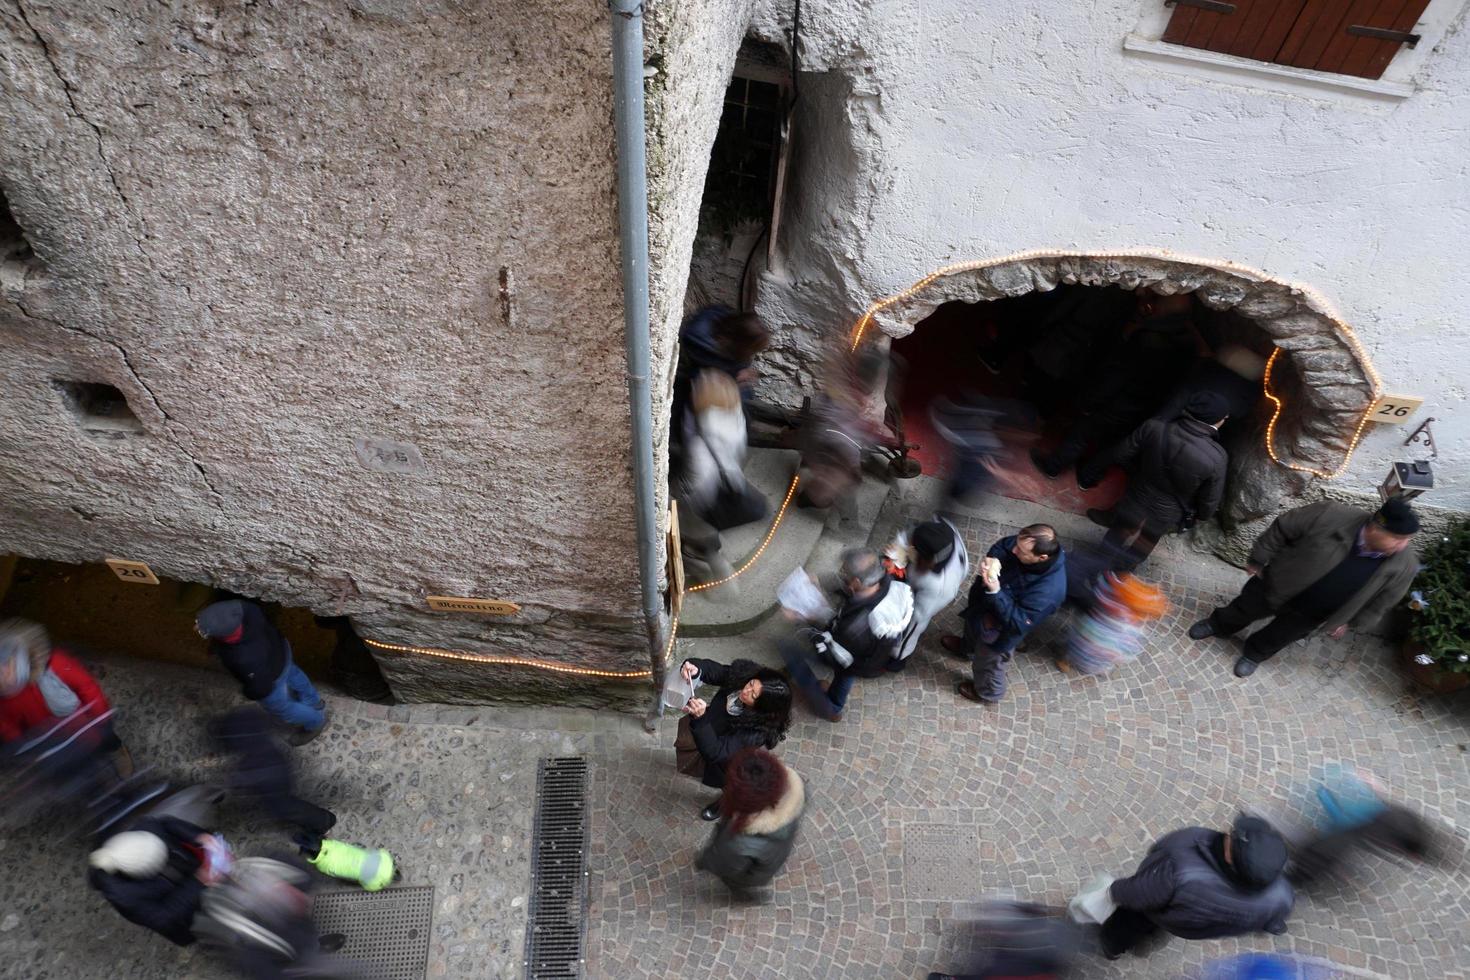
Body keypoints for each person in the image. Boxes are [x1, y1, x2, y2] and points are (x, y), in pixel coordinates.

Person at [1187, 496, 1421, 678]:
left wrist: (1350, 622)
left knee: (1280, 635)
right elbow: (1283, 527)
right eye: (1399, 539)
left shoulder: (1405, 565)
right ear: (1374, 529)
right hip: (1276, 584)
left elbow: (1384, 602)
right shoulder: (1331, 514)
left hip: (1315, 613)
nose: (1403, 547)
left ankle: (1255, 653)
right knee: (1244, 608)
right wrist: (1259, 558)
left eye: (1407, 540)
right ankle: (1219, 624)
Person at [1031, 290, 1200, 489]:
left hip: (1119, 401)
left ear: (1161, 308)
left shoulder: (1147, 338)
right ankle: (1087, 476)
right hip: (1146, 405)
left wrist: (1090, 401)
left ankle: (1054, 466)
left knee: (1082, 433)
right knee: (1112, 442)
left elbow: (1117, 375)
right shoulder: (1188, 344)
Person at [1100, 815, 1294, 960]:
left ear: (1229, 858)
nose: (1229, 831)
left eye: (1233, 836)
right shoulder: (1281, 896)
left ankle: (1112, 946)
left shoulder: (1182, 871)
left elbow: (1139, 892)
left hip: (1161, 911)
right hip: (1189, 924)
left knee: (1130, 921)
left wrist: (1112, 891)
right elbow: (1273, 922)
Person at [1085, 390, 1229, 570]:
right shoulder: (1217, 457)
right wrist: (1201, 515)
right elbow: (1209, 500)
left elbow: (1120, 454)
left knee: (1118, 532)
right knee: (1144, 544)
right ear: (1216, 419)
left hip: (1138, 495)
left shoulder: (1155, 427)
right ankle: (1117, 577)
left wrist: (1139, 475)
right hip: (1168, 513)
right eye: (1224, 416)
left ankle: (1093, 568)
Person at [778, 548, 914, 722]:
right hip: (868, 655)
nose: (841, 574)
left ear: (857, 581)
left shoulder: (855, 627)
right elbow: (852, 601)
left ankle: (830, 708)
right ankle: (836, 702)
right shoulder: (885, 583)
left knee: (789, 651)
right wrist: (820, 585)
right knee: (846, 675)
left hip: (856, 657)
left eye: (844, 572)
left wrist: (805, 617)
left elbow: (831, 653)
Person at [942, 525, 1067, 704]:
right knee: (972, 627)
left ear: (1042, 557)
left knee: (990, 663)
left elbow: (1017, 623)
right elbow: (1003, 546)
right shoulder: (1024, 545)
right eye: (1017, 543)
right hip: (984, 607)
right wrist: (993, 559)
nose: (1014, 550)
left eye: (1021, 551)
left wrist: (996, 592)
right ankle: (966, 649)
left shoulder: (1048, 592)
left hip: (1001, 631)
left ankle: (988, 693)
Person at [672, 370, 768, 586]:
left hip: (703, 506)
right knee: (709, 535)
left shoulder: (699, 445)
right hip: (726, 488)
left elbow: (695, 487)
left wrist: (676, 497)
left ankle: (709, 568)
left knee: (700, 538)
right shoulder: (735, 420)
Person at [675, 658, 793, 821]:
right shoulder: (743, 676)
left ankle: (724, 805)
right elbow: (717, 671)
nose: (746, 691)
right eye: (751, 684)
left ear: (762, 706)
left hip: (728, 758)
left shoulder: (754, 732)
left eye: (753, 695)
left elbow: (716, 752)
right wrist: (697, 669)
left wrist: (701, 719)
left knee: (730, 786)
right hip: (710, 729)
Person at [89, 814, 232, 946]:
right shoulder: (122, 895)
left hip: (191, 876)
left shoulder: (147, 829)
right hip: (186, 914)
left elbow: (168, 824)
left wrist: (199, 836)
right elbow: (164, 918)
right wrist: (199, 882)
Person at [196, 600, 327, 741]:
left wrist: (249, 692)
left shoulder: (242, 657)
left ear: (226, 636)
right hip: (281, 649)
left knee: (283, 708)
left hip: (273, 676)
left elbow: (262, 687)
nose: (195, 627)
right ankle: (313, 701)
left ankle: (315, 722)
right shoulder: (246, 609)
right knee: (294, 674)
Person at [0, 618, 123, 765]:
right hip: (52, 738)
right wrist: (20, 745)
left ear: (21, 657)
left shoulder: (56, 664)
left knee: (105, 740)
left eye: (5, 663)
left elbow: (87, 687)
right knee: (80, 763)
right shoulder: (5, 698)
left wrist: (101, 717)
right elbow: (6, 724)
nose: (3, 673)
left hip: (85, 723)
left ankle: (116, 751)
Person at [207, 707, 337, 836]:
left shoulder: (242, 745)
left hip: (272, 775)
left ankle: (324, 821)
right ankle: (321, 820)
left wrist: (233, 783)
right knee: (283, 804)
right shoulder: (244, 724)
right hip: (274, 762)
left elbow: (253, 773)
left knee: (284, 808)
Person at [694, 747, 805, 895]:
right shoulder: (794, 793)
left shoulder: (739, 842)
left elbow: (724, 863)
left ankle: (746, 896)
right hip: (772, 859)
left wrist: (705, 861)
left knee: (736, 884)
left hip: (752, 873)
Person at [670, 305, 770, 447]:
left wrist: (742, 372)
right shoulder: (699, 337)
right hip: (694, 380)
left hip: (715, 374)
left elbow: (737, 363)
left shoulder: (723, 322)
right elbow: (710, 367)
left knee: (743, 402)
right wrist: (734, 375)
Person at [887, 517, 970, 662]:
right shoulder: (940, 530)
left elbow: (915, 621)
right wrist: (895, 553)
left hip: (932, 592)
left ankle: (898, 658)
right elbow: (909, 536)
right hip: (922, 575)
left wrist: (897, 652)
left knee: (911, 626)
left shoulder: (938, 587)